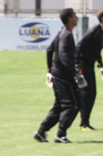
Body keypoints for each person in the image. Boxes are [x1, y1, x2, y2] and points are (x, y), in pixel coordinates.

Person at [34, 8, 86, 144]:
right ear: (70, 18)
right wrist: (75, 73)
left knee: (59, 106)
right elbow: (63, 56)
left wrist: (49, 70)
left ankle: (41, 132)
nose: (76, 17)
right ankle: (60, 134)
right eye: (74, 15)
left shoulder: (61, 32)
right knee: (72, 105)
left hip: (58, 75)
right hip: (64, 76)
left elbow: (49, 50)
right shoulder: (67, 34)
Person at [76, 7, 103, 130]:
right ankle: (83, 123)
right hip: (83, 65)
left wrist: (100, 65)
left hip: (90, 65)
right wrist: (78, 67)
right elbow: (78, 47)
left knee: (91, 94)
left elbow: (97, 50)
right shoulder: (93, 31)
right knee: (87, 94)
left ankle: (85, 122)